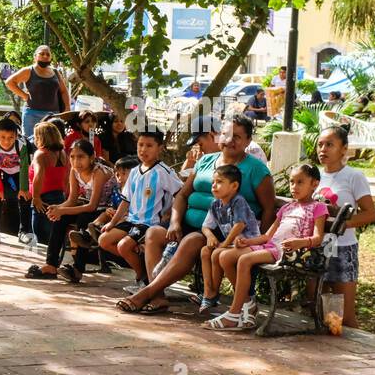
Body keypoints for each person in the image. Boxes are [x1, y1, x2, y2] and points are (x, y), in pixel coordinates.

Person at [118, 115, 275, 315]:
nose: (230, 140)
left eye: (237, 136)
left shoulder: (255, 169)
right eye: (226, 134)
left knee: (192, 241)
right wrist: (175, 223)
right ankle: (158, 298)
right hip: (188, 223)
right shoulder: (206, 161)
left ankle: (146, 292)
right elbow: (183, 194)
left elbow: (269, 208)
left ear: (248, 141)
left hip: (222, 232)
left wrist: (256, 241)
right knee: (154, 234)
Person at [209, 164, 327, 331]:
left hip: (288, 253)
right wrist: (247, 242)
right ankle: (248, 303)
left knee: (244, 259)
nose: (294, 187)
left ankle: (234, 314)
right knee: (224, 257)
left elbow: (318, 238)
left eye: (300, 182)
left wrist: (300, 242)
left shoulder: (318, 207)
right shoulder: (287, 208)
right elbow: (267, 237)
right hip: (271, 246)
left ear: (314, 184)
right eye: (292, 182)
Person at [96, 130, 181, 292]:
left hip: (149, 223)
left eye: (149, 146)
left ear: (160, 148)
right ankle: (143, 268)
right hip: (131, 221)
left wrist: (170, 215)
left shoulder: (164, 172)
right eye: (140, 145)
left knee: (123, 246)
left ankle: (143, 279)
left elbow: (180, 194)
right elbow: (126, 200)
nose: (143, 149)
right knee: (104, 240)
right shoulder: (135, 171)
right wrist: (112, 223)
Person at [314, 124, 375, 329]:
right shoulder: (316, 177)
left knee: (346, 317)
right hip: (317, 249)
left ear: (344, 149)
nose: (323, 149)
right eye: (320, 144)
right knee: (321, 312)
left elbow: (370, 213)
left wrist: (340, 225)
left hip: (343, 249)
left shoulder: (353, 176)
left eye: (329, 144)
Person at [27, 138, 111, 283]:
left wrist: (63, 210)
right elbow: (72, 200)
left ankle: (78, 269)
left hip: (108, 210)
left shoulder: (99, 173)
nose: (76, 161)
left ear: (92, 158)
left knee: (84, 219)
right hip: (91, 208)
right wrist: (58, 208)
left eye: (81, 157)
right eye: (72, 157)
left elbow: (92, 206)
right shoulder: (74, 171)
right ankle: (51, 264)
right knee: (60, 219)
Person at [196, 163, 261, 314]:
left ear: (234, 186)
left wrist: (224, 243)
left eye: (219, 182)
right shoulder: (215, 204)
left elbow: (239, 225)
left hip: (248, 243)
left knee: (218, 254)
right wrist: (210, 236)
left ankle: (245, 298)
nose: (214, 185)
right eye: (213, 182)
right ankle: (209, 293)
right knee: (206, 251)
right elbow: (206, 226)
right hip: (232, 244)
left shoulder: (238, 201)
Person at [5, 45, 70, 145]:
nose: (45, 56)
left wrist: (67, 108)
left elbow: (64, 92)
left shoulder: (56, 72)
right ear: (35, 56)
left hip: (53, 115)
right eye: (42, 53)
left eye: (48, 54)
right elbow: (9, 82)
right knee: (31, 144)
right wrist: (24, 95)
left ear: (51, 57)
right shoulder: (28, 71)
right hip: (32, 114)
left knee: (53, 144)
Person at [0, 116, 31, 243]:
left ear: (16, 136)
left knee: (25, 198)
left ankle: (24, 231)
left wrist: (23, 188)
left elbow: (24, 168)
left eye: (11, 137)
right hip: (1, 173)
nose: (6, 141)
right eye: (2, 137)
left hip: (18, 174)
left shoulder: (21, 147)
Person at [27, 121, 68, 246]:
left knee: (41, 236)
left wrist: (36, 197)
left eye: (35, 136)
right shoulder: (62, 153)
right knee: (55, 233)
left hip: (43, 198)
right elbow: (66, 176)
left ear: (41, 137)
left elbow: (39, 175)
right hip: (59, 196)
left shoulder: (41, 154)